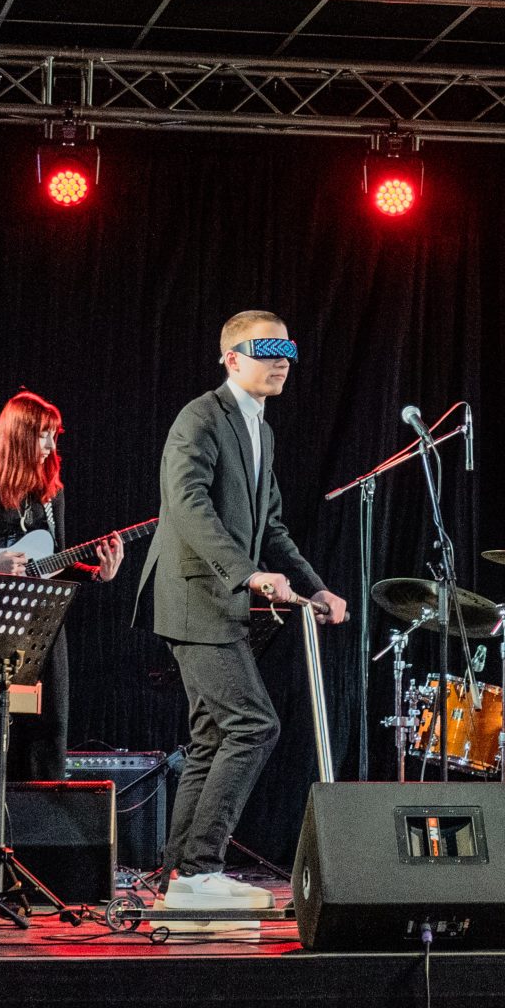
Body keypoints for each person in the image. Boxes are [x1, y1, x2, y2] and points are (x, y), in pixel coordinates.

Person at [147, 310, 346, 914]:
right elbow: (187, 503)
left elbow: (272, 527)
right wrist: (247, 573)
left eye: (288, 349)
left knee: (212, 736)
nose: (281, 361)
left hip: (221, 602)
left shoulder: (261, 429)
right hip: (196, 597)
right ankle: (199, 868)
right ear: (232, 358)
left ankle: (181, 876)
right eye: (267, 350)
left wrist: (316, 588)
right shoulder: (201, 416)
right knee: (253, 725)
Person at [0, 390, 126, 783]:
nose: (51, 446)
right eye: (44, 436)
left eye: (54, 437)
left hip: (42, 623)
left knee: (49, 726)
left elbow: (56, 563)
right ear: (20, 435)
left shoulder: (51, 491)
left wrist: (98, 573)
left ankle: (41, 812)